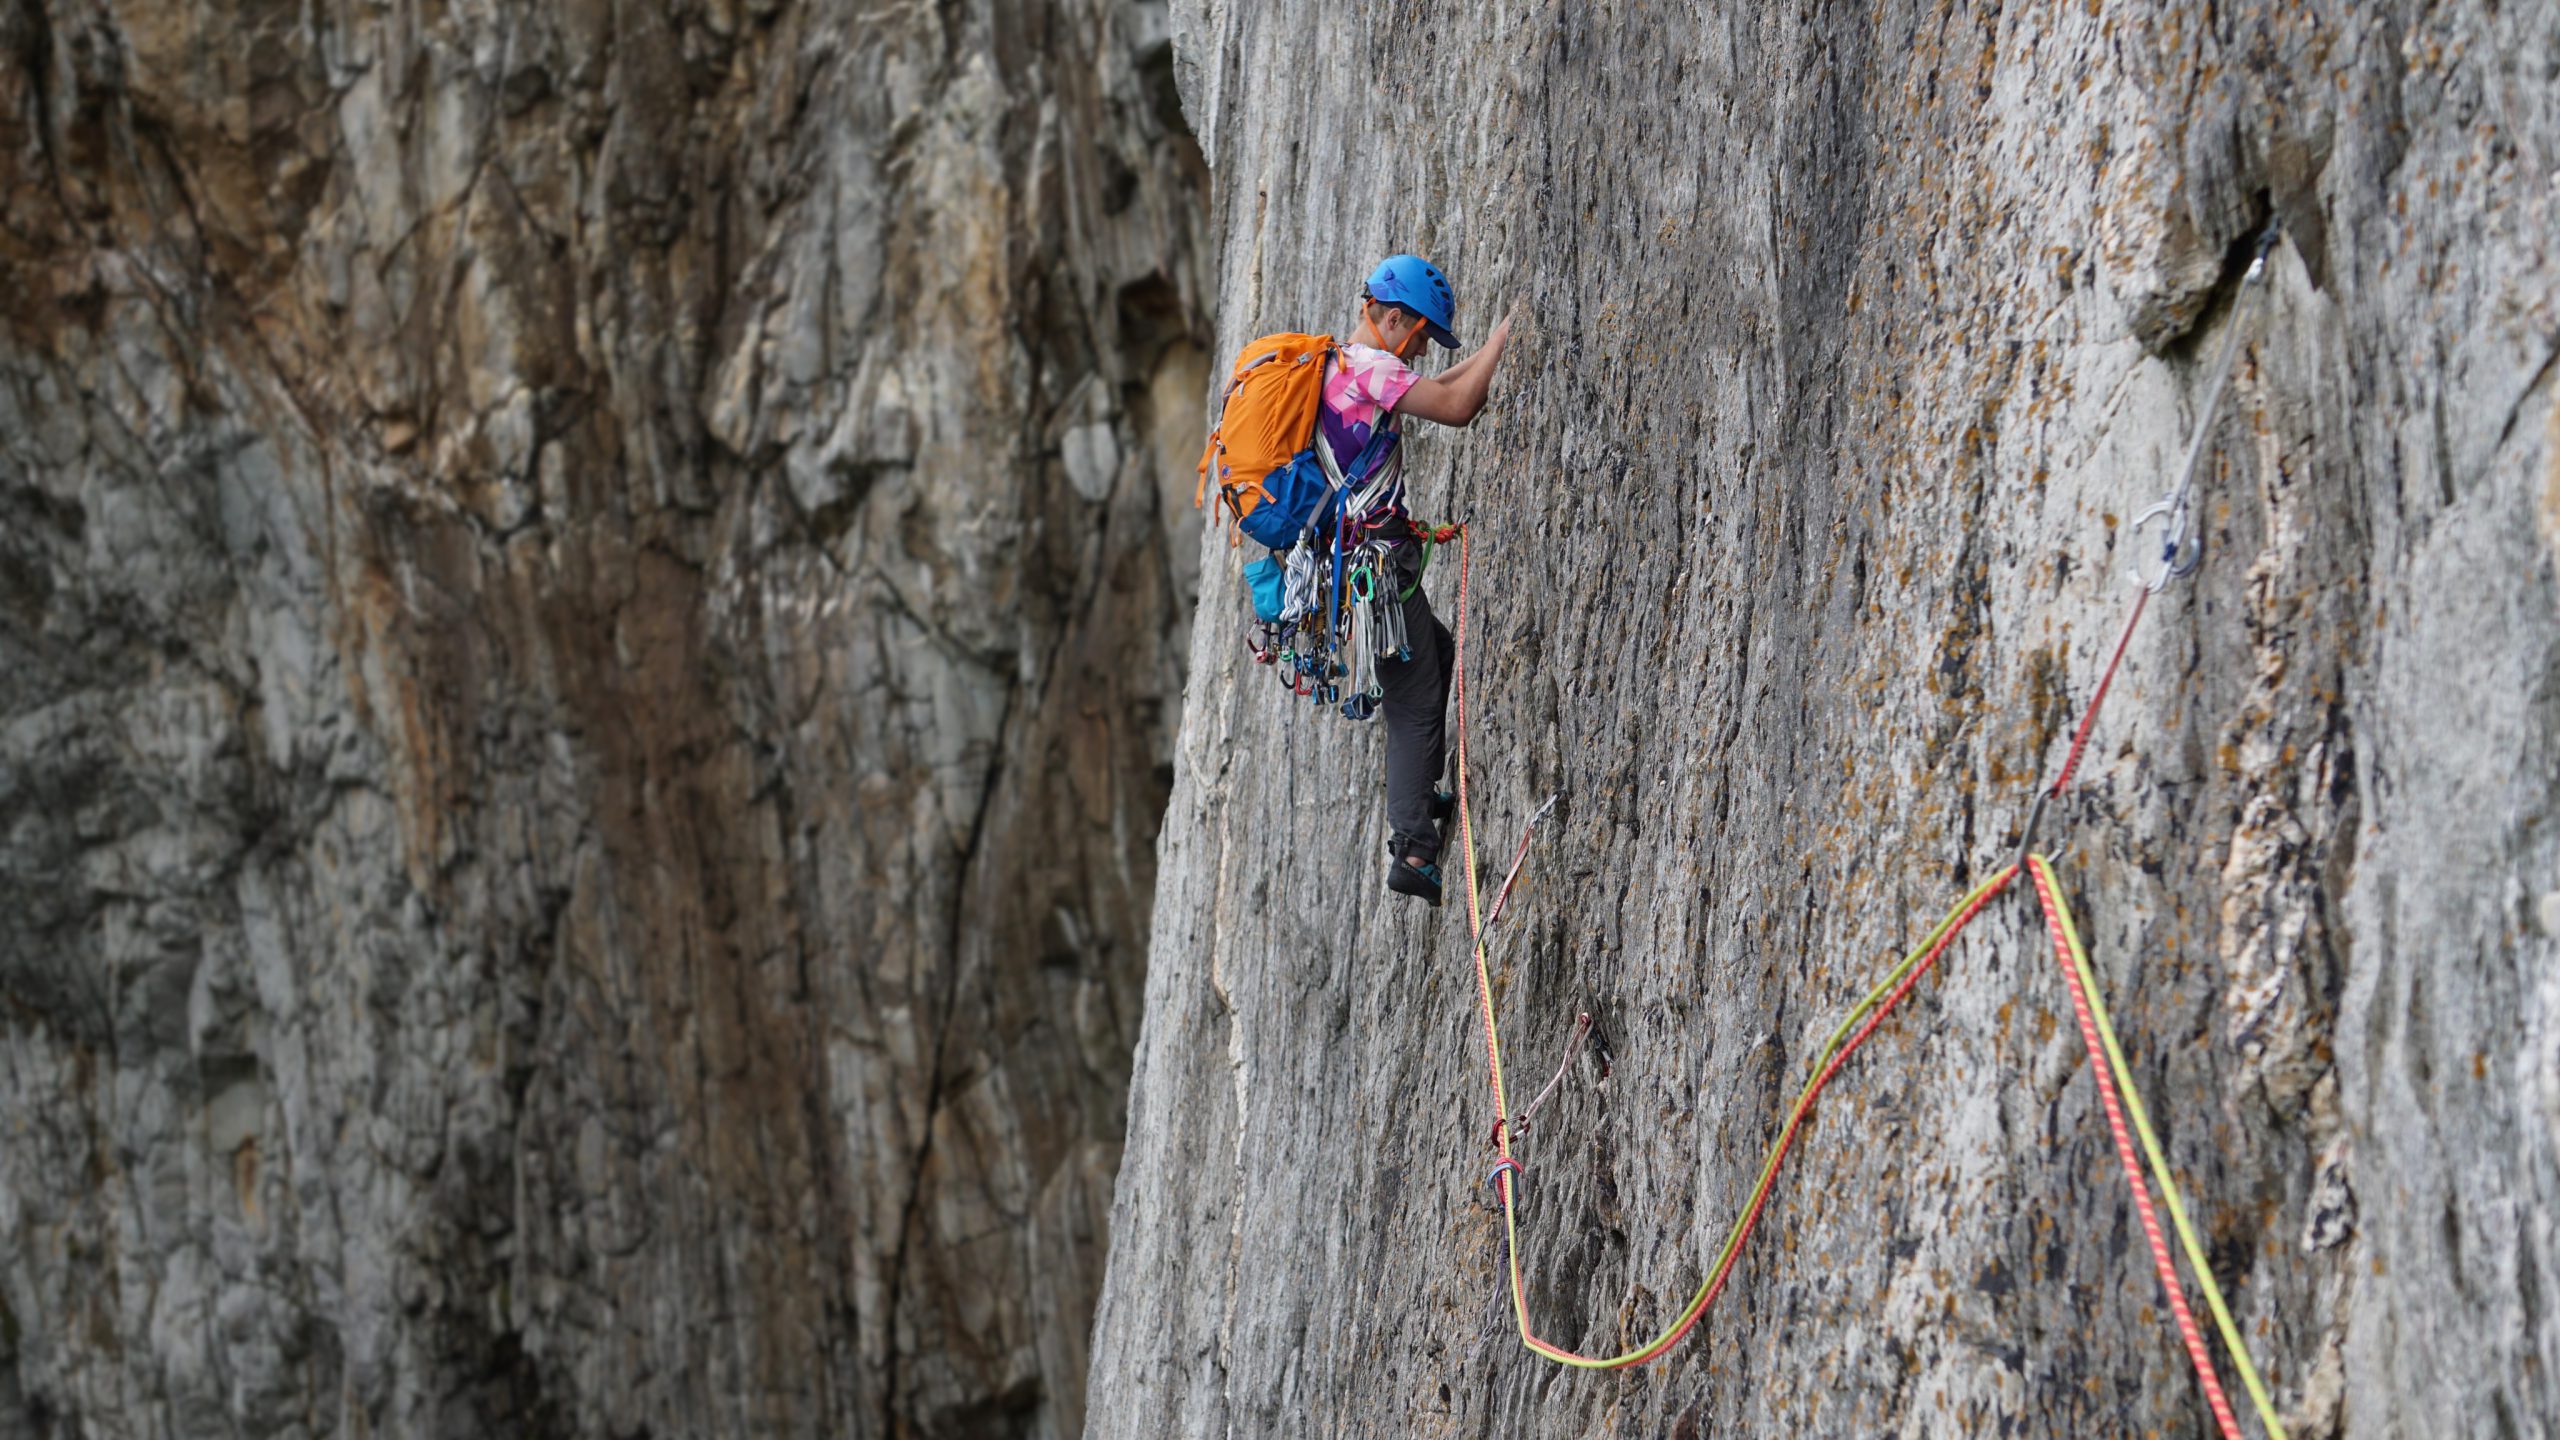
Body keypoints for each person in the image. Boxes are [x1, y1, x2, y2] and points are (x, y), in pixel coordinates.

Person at [1318, 255, 1516, 905]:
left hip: (1356, 562)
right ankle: (1414, 845)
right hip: (1376, 566)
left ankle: (1418, 788)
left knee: (1433, 651)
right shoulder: (1373, 369)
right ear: (1393, 317)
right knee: (1415, 697)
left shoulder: (1344, 367)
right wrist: (1503, 341)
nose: (1425, 346)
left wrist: (1492, 349)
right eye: (1422, 333)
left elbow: (1442, 386)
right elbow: (1458, 406)